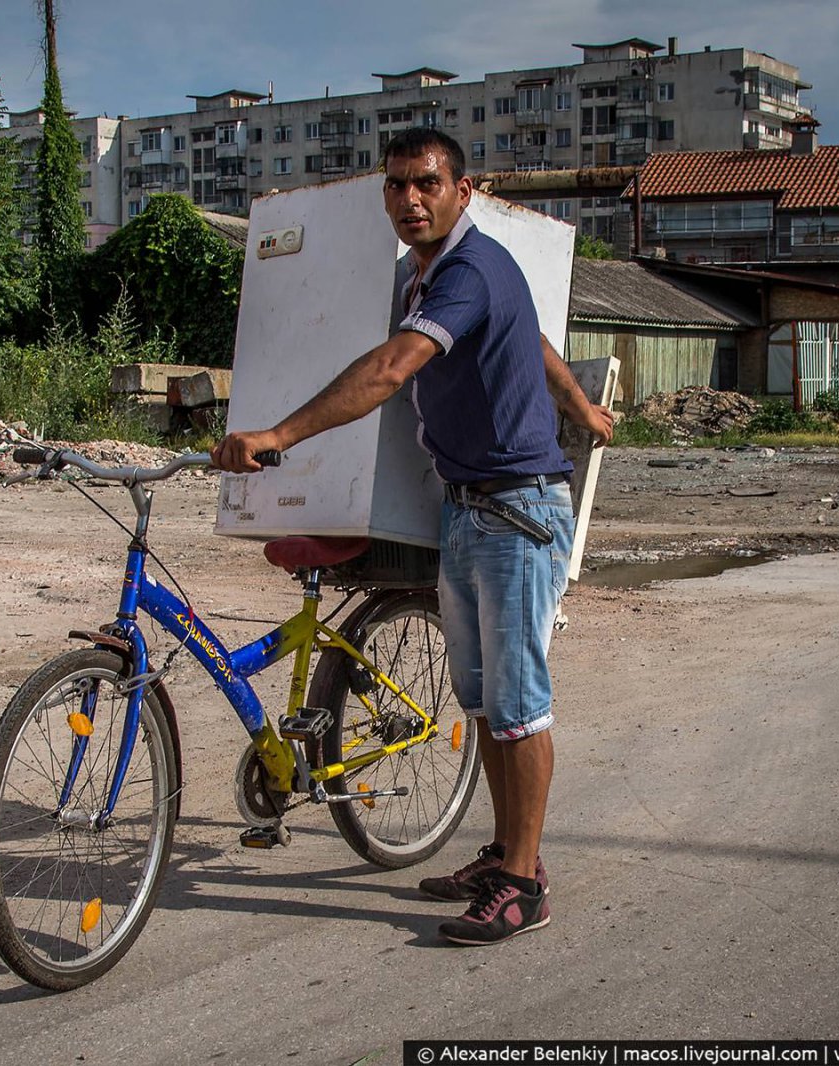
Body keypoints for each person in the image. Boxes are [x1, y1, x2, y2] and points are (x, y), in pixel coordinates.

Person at [211, 128, 613, 946]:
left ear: (462, 190)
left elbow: (395, 368)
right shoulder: (424, 275)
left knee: (517, 709)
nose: (409, 200)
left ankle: (526, 885)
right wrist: (581, 405)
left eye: (426, 183)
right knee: (481, 701)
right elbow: (531, 338)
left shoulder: (469, 268)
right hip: (466, 508)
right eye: (395, 186)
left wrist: (279, 437)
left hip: (518, 511)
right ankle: (505, 853)